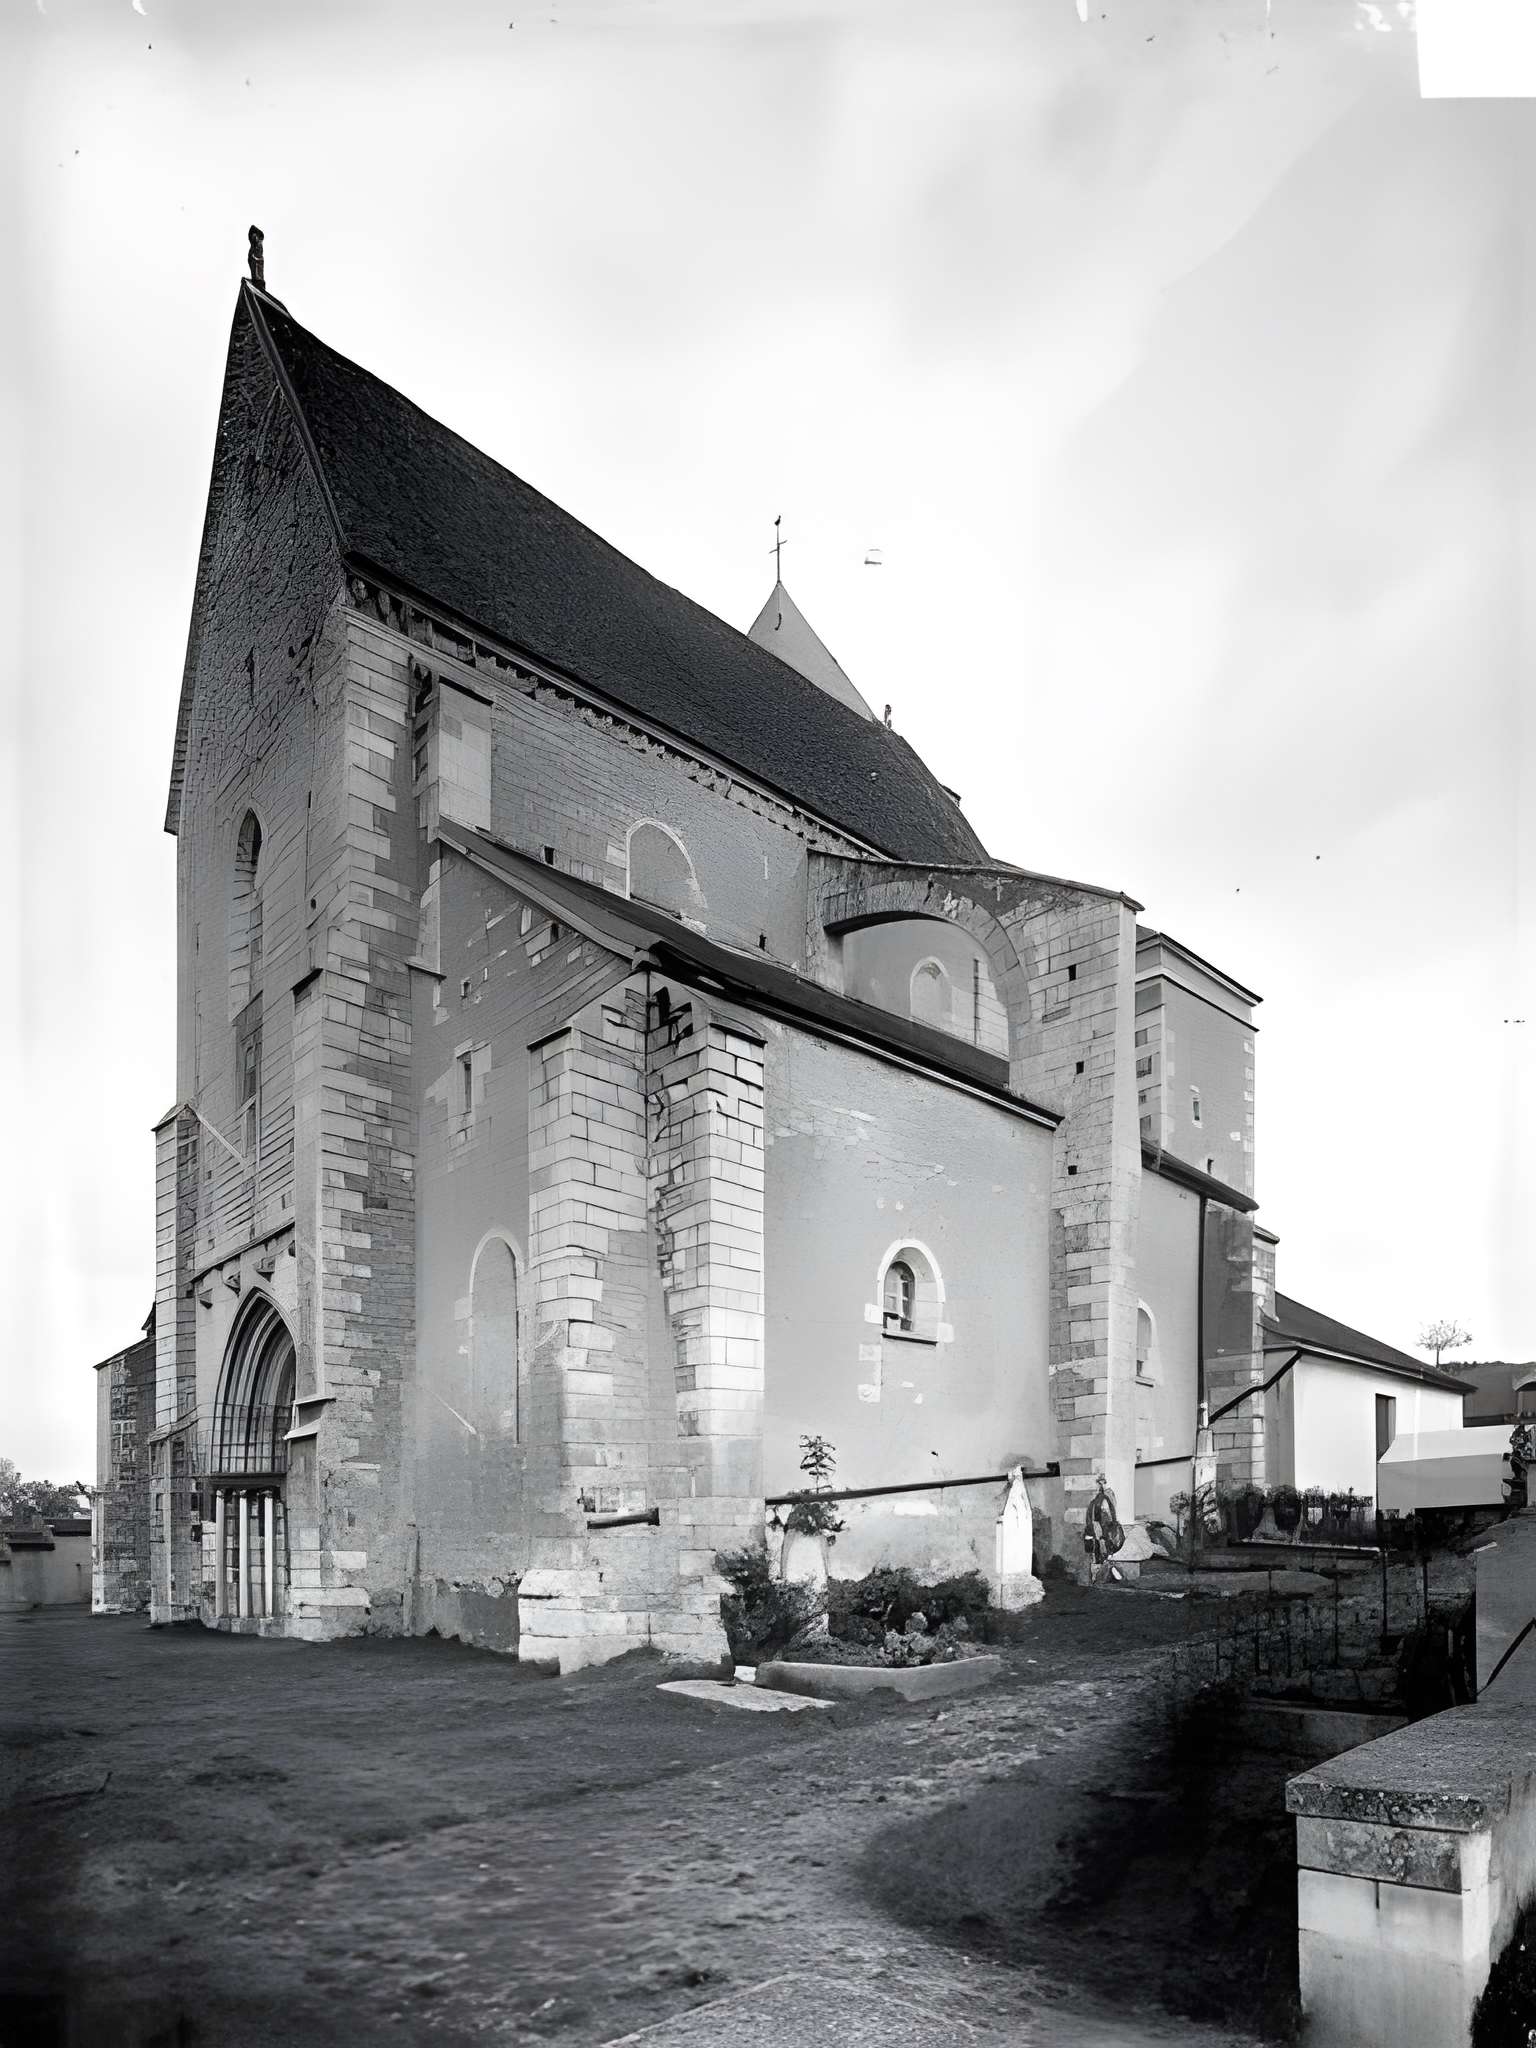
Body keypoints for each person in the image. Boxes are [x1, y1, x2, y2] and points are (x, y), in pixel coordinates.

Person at [1083, 1474, 1125, 1584]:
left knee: (1098, 1553)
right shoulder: (1101, 1500)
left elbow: (1104, 1518)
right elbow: (1099, 1519)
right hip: (1099, 1532)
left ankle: (1099, 1575)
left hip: (1100, 1532)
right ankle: (1099, 1575)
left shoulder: (1102, 1500)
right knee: (1098, 1553)